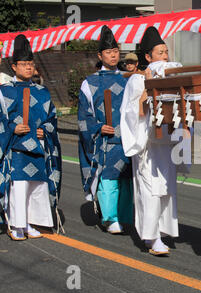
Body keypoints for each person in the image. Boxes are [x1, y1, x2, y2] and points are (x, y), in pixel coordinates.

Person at [120, 26, 184, 256]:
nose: (165, 57)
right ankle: (151, 236)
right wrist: (148, 86)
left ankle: (162, 231)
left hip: (166, 142)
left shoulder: (172, 78)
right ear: (148, 57)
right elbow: (133, 114)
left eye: (166, 52)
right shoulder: (136, 81)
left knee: (166, 189)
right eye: (160, 53)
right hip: (147, 144)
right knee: (150, 189)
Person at [0, 35, 62, 240]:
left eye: (30, 63)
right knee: (19, 185)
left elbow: (51, 117)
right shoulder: (4, 91)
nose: (28, 67)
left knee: (36, 185)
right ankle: (16, 224)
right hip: (15, 146)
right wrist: (12, 128)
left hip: (38, 145)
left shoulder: (42, 92)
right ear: (14, 66)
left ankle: (29, 222)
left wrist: (45, 129)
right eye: (23, 64)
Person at [78, 25, 133, 235]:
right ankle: (110, 219)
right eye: (109, 52)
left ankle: (125, 217)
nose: (113, 55)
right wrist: (99, 127)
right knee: (109, 178)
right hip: (105, 139)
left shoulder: (129, 78)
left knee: (127, 180)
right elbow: (84, 116)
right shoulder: (89, 83)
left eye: (116, 51)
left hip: (128, 138)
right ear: (100, 55)